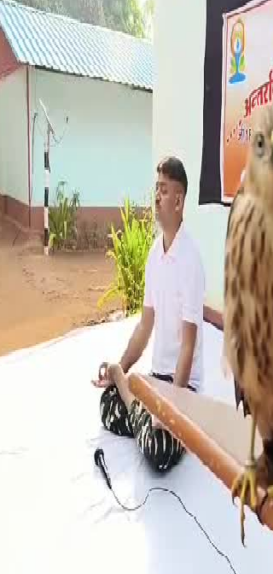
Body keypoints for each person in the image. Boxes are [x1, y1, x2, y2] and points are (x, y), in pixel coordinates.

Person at [93, 156, 206, 474]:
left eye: (164, 190)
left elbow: (188, 345)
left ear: (179, 200)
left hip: (183, 388)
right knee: (107, 407)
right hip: (154, 382)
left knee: (159, 452)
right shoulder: (155, 255)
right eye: (156, 188)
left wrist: (171, 407)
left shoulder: (190, 261)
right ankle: (125, 386)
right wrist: (123, 365)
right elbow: (145, 325)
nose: (157, 196)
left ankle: (136, 403)